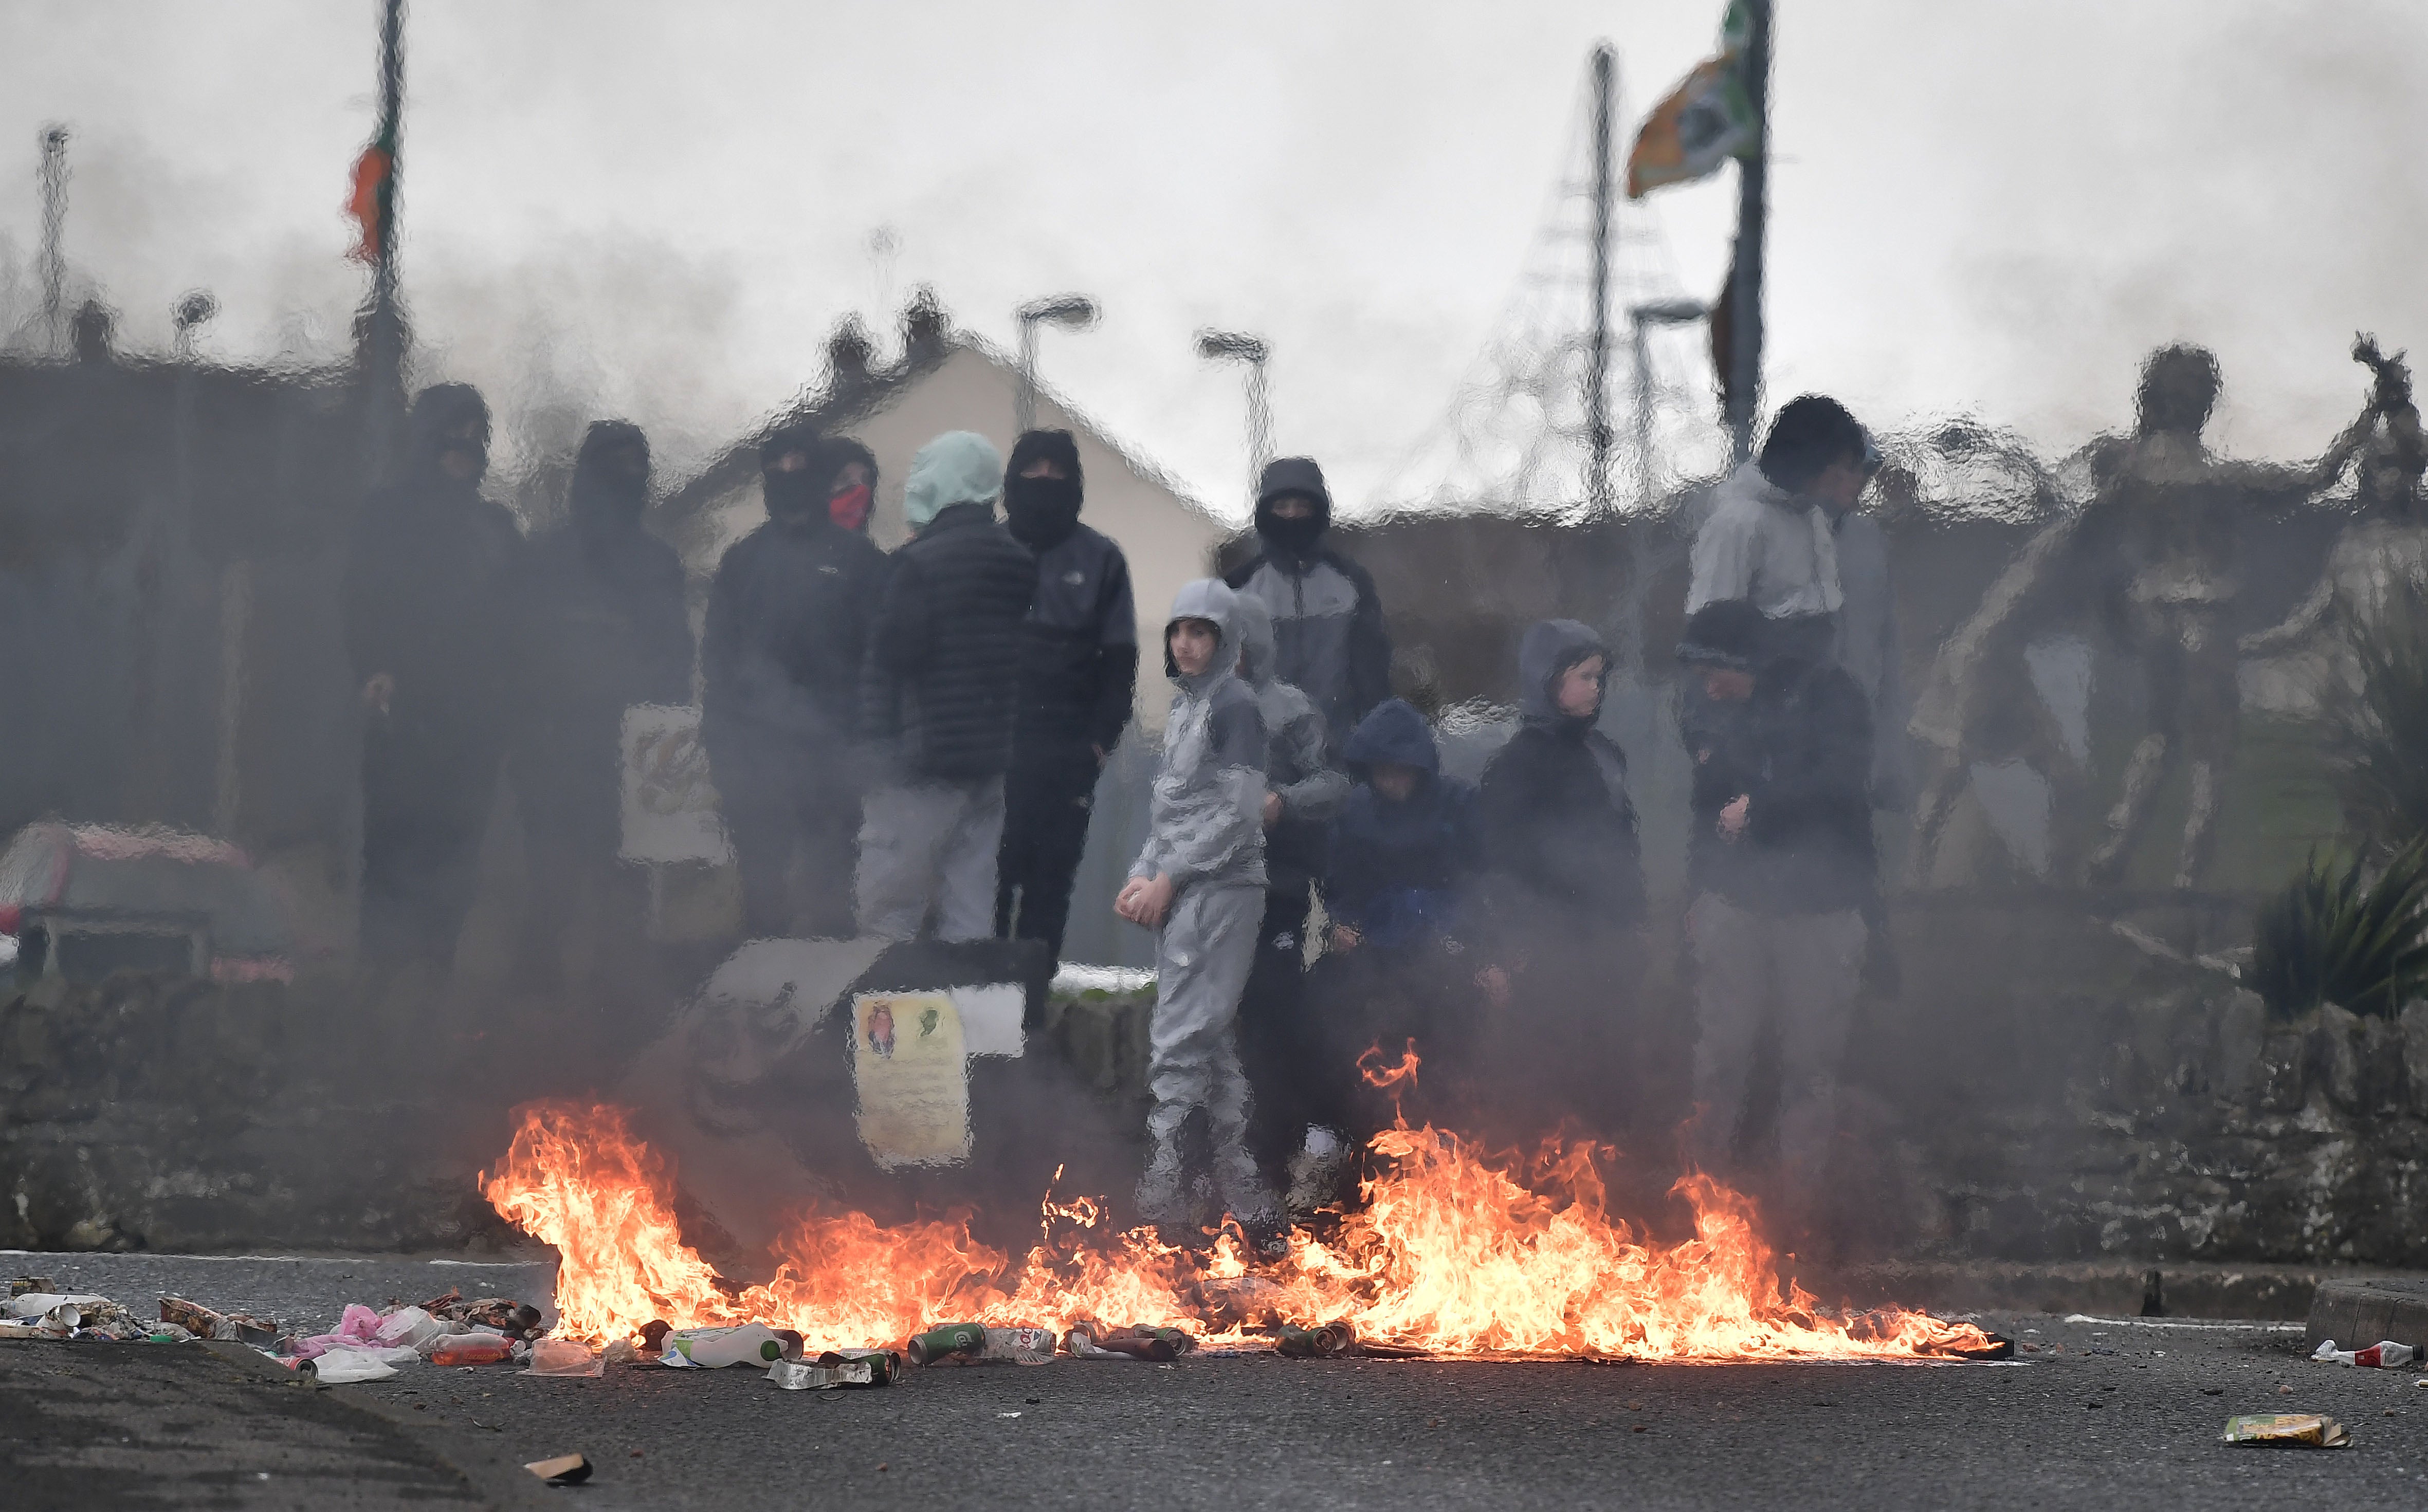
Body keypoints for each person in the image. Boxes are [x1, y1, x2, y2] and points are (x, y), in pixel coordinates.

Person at [1673, 600, 1874, 1237]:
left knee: (1810, 1065)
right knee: (1720, 1058)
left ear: (1745, 661)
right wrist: (1696, 897)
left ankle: (1796, 1216)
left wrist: (1761, 809)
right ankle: (1700, 1205)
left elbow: (1841, 783)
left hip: (1820, 910)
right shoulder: (1713, 712)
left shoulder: (1829, 693)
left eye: (1716, 671)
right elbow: (1703, 814)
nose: (1708, 685)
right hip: (1734, 907)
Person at [1115, 579, 1281, 1236]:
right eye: (1179, 630)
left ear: (1225, 640)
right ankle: (1241, 1191)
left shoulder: (1235, 706)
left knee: (1181, 1036)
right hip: (1189, 889)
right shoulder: (1189, 706)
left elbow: (1238, 818)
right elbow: (1173, 810)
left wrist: (1169, 876)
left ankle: (1162, 1190)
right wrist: (1141, 874)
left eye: (1201, 632)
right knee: (1206, 1042)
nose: (1186, 643)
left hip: (1222, 890)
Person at [344, 382, 527, 972]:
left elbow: (520, 626)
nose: (461, 449)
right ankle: (382, 991)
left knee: (455, 868)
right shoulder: (385, 516)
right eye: (451, 434)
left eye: (475, 437)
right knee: (395, 861)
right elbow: (359, 601)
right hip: (403, 721)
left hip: (472, 728)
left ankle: (430, 991)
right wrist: (374, 668)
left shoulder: (496, 529)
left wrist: (512, 706)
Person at [509, 420, 693, 989]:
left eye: (637, 467)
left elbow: (675, 660)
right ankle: (532, 1014)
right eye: (614, 466)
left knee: (625, 897)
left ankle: (615, 1018)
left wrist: (667, 749)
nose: (626, 480)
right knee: (553, 889)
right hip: (555, 748)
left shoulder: (660, 563)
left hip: (633, 750)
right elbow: (519, 652)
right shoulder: (545, 558)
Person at [701, 426, 889, 939]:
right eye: (775, 465)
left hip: (832, 759)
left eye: (798, 463)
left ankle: (826, 1012)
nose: (787, 474)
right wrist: (723, 746)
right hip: (755, 756)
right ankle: (756, 1010)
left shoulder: (861, 563)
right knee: (762, 899)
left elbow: (881, 661)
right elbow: (717, 659)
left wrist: (864, 746)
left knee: (830, 899)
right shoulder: (742, 561)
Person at [855, 431, 1036, 942]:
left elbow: (893, 657)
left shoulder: (918, 564)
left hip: (919, 762)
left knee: (889, 910)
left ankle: (883, 1018)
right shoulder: (1017, 562)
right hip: (987, 760)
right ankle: (972, 1018)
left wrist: (874, 753)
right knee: (969, 906)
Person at [1472, 620, 1649, 1137]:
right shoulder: (1514, 766)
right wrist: (1507, 943)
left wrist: (1636, 917)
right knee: (1548, 1064)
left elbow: (1624, 845)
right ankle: (1546, 1184)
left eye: (1600, 676)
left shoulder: (1607, 754)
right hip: (1547, 940)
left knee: (1611, 1058)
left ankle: (1609, 1183)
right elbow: (1497, 864)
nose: (1596, 687)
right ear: (1547, 680)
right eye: (1584, 676)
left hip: (1609, 937)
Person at [1309, 697, 1483, 1201]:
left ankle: (1445, 1153)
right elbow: (1339, 881)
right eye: (1383, 771)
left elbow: (1479, 877)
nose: (1393, 781)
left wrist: (1461, 935)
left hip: (1441, 956)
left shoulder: (1458, 805)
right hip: (1372, 958)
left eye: (1402, 770)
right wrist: (1342, 923)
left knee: (1444, 1046)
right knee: (1340, 1032)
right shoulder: (1354, 812)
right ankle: (1338, 1149)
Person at [994, 429, 1138, 965]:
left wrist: (1099, 741)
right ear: (1013, 480)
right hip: (992, 753)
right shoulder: (989, 550)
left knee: (1048, 892)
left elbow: (1120, 662)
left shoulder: (1101, 558)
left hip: (1066, 755)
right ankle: (981, 1017)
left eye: (1057, 471)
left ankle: (1028, 1018)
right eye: (1033, 470)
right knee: (986, 887)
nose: (1044, 481)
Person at [1228, 592, 1348, 1189]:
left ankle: (1280, 1152)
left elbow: (1332, 783)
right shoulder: (1193, 713)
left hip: (1277, 891)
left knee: (1276, 1021)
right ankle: (1216, 1159)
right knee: (1214, 1030)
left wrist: (1283, 800)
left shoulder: (1289, 709)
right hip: (1208, 899)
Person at [1224, 457, 1392, 754]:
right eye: (1281, 507)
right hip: (1261, 758)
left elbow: (1373, 676)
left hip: (1340, 755)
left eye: (1303, 507)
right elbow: (1222, 681)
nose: (1292, 515)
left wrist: (1373, 746)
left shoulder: (1351, 583)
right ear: (1265, 513)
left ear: (1319, 512)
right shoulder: (1239, 588)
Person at [1687, 395, 1873, 662]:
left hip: (1815, 674)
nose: (1846, 480)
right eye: (1840, 469)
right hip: (1761, 682)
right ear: (1809, 462)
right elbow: (1708, 632)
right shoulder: (1738, 522)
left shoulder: (1814, 514)